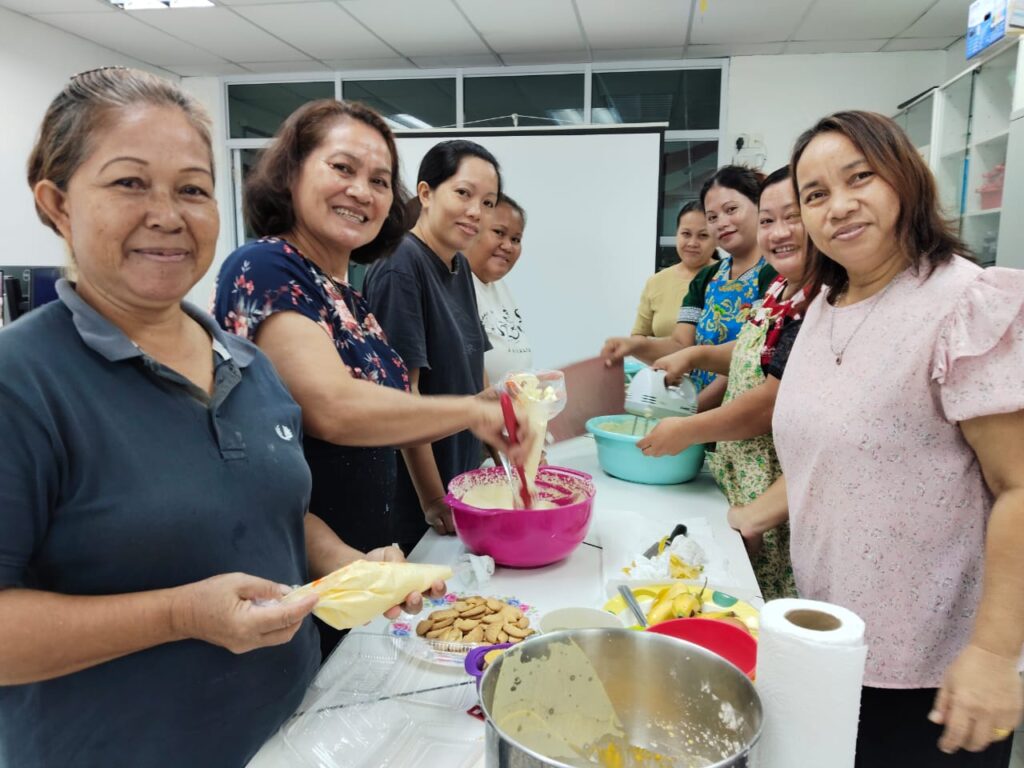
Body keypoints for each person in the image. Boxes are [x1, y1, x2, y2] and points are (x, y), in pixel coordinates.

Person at [0, 68, 440, 768]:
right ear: (57, 204)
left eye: (192, 189)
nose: (168, 215)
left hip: (293, 735)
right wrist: (179, 615)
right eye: (130, 183)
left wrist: (350, 570)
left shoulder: (248, 365)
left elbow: (272, 510)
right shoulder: (22, 380)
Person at [212, 102, 524, 656]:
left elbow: (395, 409)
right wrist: (474, 413)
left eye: (379, 181)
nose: (362, 191)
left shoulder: (347, 295)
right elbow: (332, 407)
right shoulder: (264, 266)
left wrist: (493, 402)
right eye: (342, 168)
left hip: (356, 562)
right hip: (293, 569)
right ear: (292, 172)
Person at [776, 110, 1024, 765]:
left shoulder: (963, 304)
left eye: (860, 177)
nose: (839, 206)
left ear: (905, 178)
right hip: (832, 638)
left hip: (934, 669)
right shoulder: (824, 305)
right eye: (815, 194)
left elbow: (1020, 487)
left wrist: (994, 653)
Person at [637, 167, 814, 599]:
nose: (778, 232)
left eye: (791, 217)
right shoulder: (781, 291)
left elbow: (770, 400)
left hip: (770, 481)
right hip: (736, 470)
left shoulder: (816, 298)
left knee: (764, 597)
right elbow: (751, 352)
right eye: (769, 220)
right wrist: (694, 355)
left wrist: (689, 426)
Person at [364, 140, 500, 551]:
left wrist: (502, 450)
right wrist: (434, 499)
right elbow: (404, 396)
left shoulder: (458, 265)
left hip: (458, 476)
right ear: (426, 193)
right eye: (463, 193)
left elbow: (475, 369)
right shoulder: (400, 266)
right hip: (417, 500)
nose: (476, 211)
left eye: (487, 202)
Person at [601, 166, 776, 411]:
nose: (722, 223)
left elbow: (750, 356)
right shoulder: (707, 277)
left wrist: (690, 414)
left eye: (731, 210)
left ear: (760, 206)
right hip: (696, 410)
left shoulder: (773, 273)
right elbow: (681, 345)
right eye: (712, 217)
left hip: (743, 414)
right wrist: (635, 346)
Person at [466, 193, 533, 384]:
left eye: (516, 239)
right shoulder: (454, 286)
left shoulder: (499, 286)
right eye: (499, 232)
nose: (508, 246)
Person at [630, 201, 717, 339]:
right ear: (676, 234)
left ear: (717, 239)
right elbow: (639, 335)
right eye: (686, 234)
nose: (692, 243)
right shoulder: (656, 281)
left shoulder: (729, 276)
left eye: (703, 235)